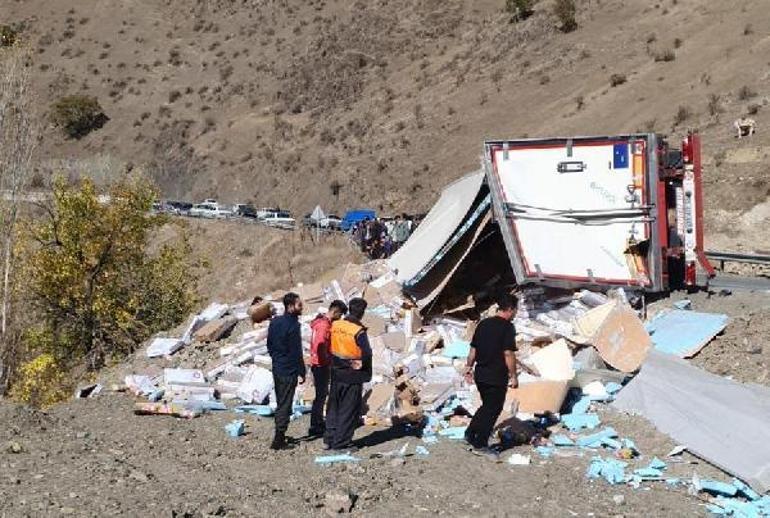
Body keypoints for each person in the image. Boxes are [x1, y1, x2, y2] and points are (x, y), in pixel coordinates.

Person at [463, 293, 519, 459]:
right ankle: (480, 444)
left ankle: (470, 433)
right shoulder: (508, 327)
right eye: (515, 309)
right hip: (496, 375)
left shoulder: (483, 324)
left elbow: (473, 349)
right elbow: (508, 353)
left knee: (486, 405)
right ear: (509, 309)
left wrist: (468, 367)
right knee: (493, 408)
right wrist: (514, 375)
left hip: (481, 373)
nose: (516, 313)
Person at [324, 297, 372, 451]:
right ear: (362, 313)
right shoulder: (358, 331)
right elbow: (367, 354)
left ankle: (329, 439)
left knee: (334, 407)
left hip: (336, 371)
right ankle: (341, 443)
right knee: (348, 410)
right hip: (352, 375)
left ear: (350, 309)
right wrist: (366, 373)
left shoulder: (336, 324)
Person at [266, 292, 306, 450]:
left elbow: (269, 344)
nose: (301, 307)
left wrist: (276, 359)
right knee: (285, 404)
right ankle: (278, 439)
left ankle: (280, 433)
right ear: (290, 307)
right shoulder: (293, 326)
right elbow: (296, 351)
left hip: (277, 367)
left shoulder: (275, 322)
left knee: (281, 400)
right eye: (299, 304)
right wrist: (302, 370)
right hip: (288, 370)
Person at [308, 300, 348, 438]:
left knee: (321, 394)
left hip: (318, 364)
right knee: (321, 395)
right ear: (335, 311)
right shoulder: (324, 326)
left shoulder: (319, 323)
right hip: (321, 365)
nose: (340, 318)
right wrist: (327, 360)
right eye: (340, 315)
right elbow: (320, 345)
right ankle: (315, 424)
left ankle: (317, 421)